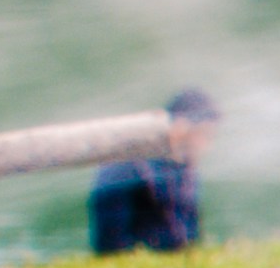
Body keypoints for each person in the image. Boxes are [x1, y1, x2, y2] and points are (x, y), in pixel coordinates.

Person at [89, 87, 219, 256]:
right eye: (203, 134)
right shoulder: (129, 167)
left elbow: (190, 233)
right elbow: (110, 243)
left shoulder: (184, 168)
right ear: (179, 127)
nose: (205, 145)